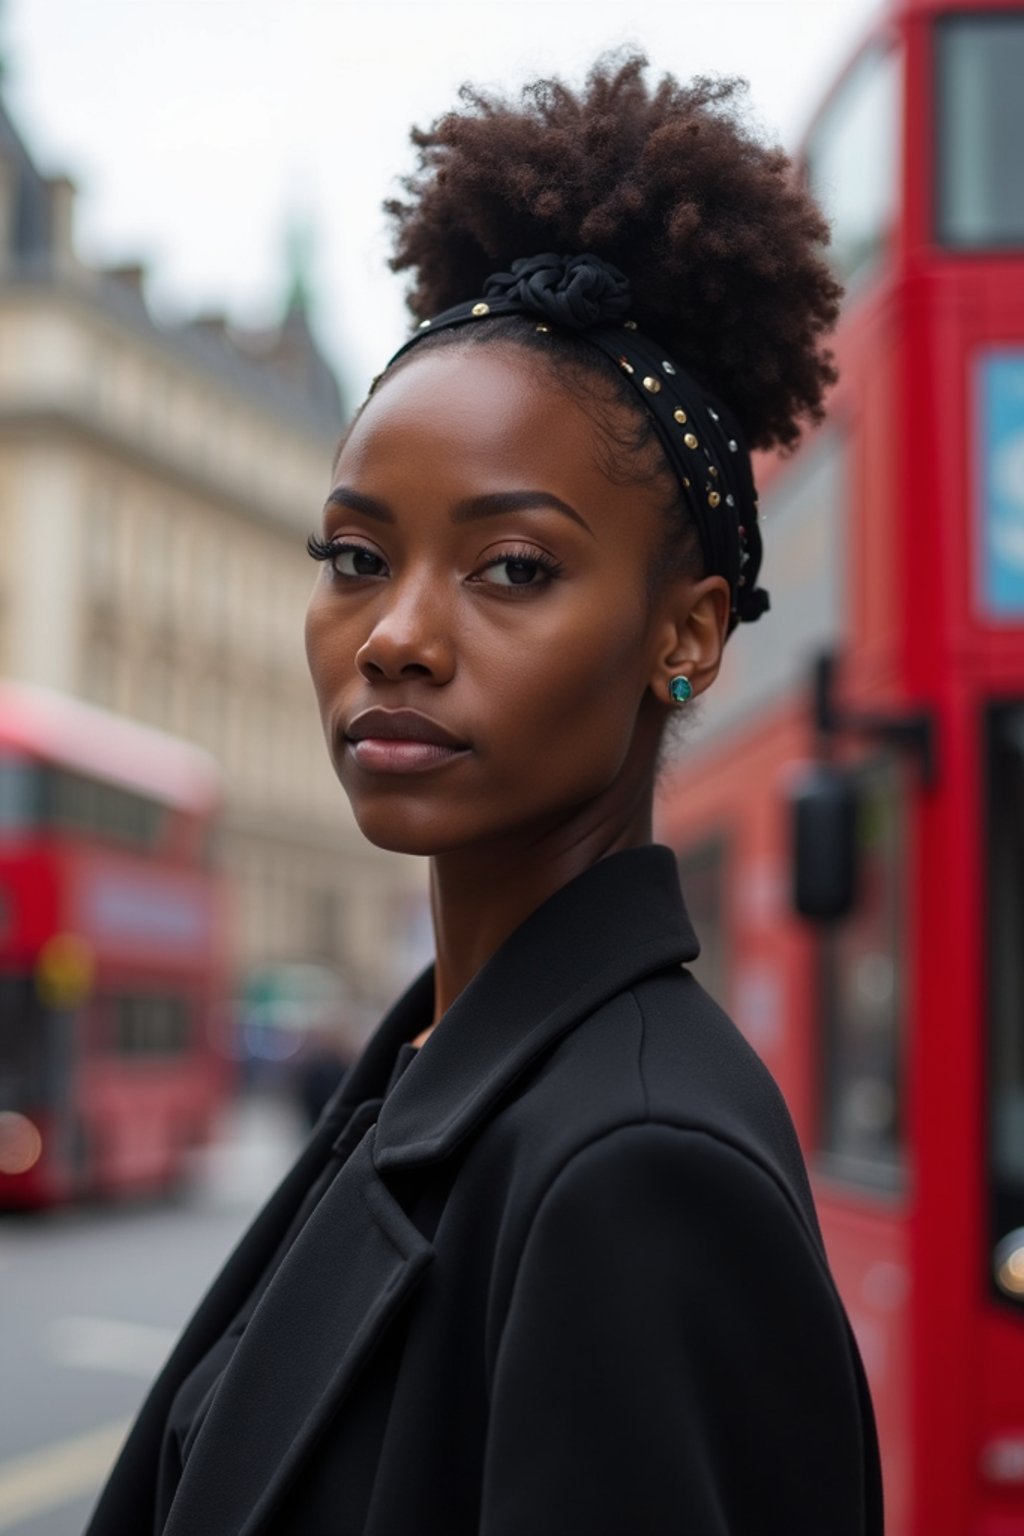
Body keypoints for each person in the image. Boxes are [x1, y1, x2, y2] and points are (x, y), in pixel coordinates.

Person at [87, 54, 883, 1536]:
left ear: (686, 634)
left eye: (513, 567)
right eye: (356, 557)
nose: (395, 633)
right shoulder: (432, 1076)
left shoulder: (636, 1172)